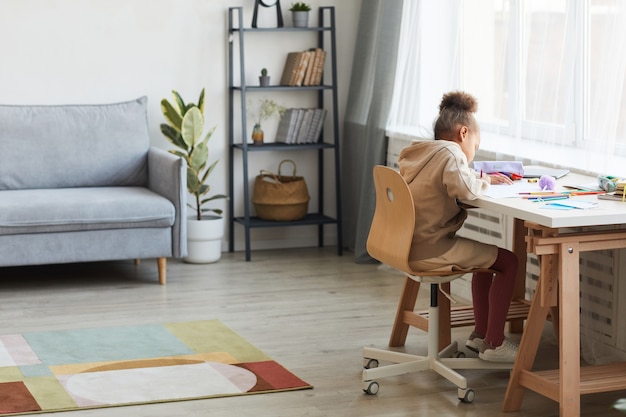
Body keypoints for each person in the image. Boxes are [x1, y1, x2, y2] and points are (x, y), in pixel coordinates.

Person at [397, 91, 519, 363]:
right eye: (475, 147)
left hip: (408, 243)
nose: (472, 156)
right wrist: (484, 181)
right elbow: (466, 191)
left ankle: (480, 335)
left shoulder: (420, 152)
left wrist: (477, 176)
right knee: (508, 262)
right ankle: (495, 343)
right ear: (464, 133)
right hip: (431, 247)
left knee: (487, 259)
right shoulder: (451, 152)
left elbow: (449, 182)